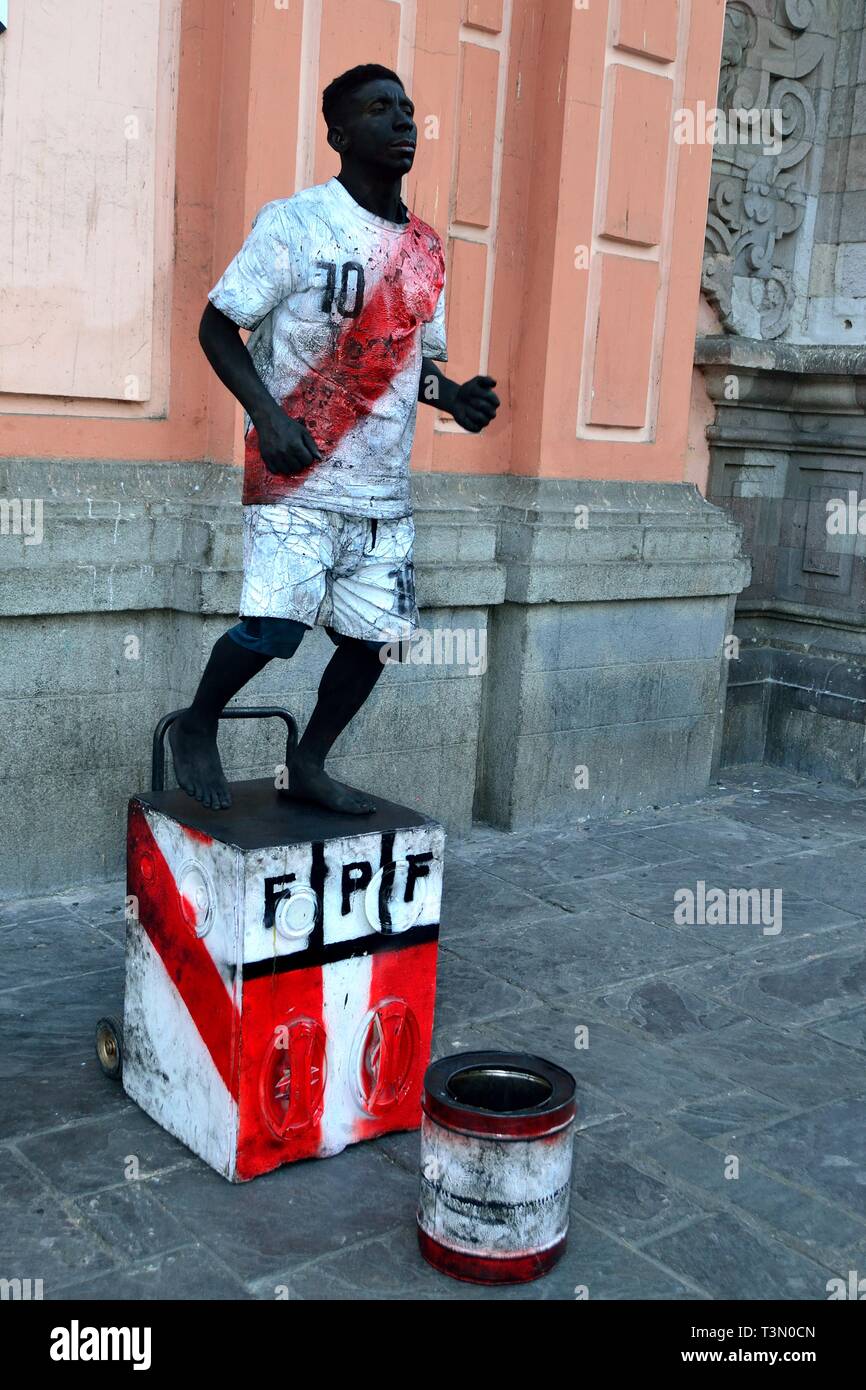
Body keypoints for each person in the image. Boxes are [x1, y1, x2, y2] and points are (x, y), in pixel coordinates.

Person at [170, 62, 500, 814]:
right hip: (295, 472)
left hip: (383, 490)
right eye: (381, 110)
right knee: (276, 628)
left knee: (373, 639)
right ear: (340, 134)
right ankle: (198, 723)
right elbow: (217, 325)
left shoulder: (426, 250)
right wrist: (271, 418)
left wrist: (455, 398)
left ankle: (310, 761)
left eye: (409, 109)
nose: (403, 121)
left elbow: (408, 363)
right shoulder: (294, 222)